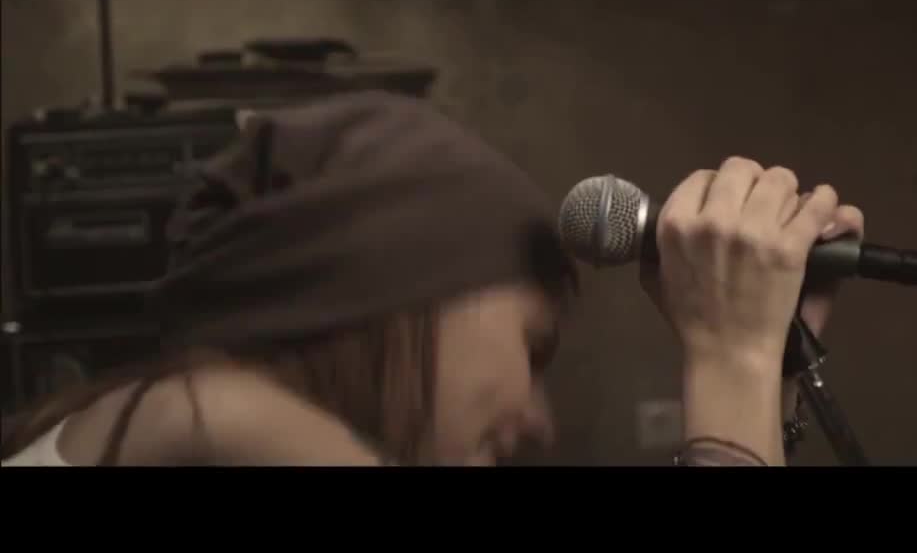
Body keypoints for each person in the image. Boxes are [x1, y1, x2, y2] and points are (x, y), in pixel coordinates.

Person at [0, 90, 862, 466]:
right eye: (532, 348)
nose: (540, 421)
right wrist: (730, 361)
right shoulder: (213, 414)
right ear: (394, 299)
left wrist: (767, 375)